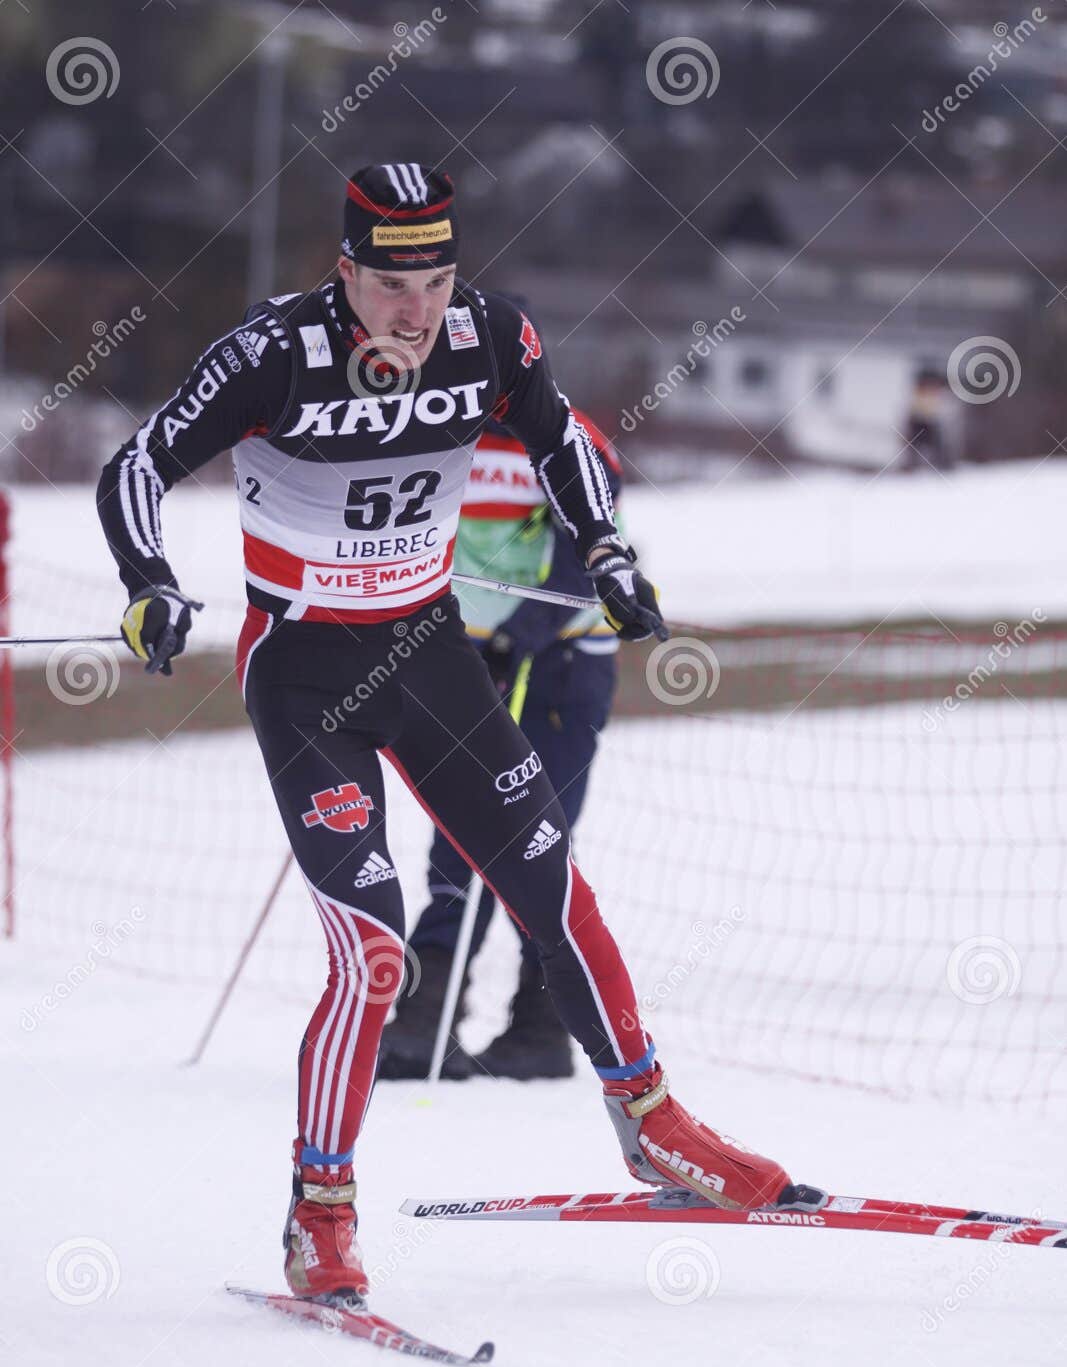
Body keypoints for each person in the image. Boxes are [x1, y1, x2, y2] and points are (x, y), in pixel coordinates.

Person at [97, 161, 805, 1308]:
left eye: (435, 281)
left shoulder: (488, 337)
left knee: (550, 882)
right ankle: (320, 1211)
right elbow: (135, 465)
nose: (416, 310)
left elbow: (561, 443)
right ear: (345, 272)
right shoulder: (273, 354)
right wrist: (149, 582)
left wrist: (608, 554)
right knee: (374, 950)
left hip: (428, 659)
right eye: (392, 284)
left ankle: (649, 1119)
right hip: (307, 682)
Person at [378, 381, 622, 1083]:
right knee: (459, 834)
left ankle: (543, 1025)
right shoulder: (431, 434)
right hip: (463, 662)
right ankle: (426, 1018)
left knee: (533, 841)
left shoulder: (571, 441)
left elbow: (585, 561)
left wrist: (519, 636)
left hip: (559, 665)